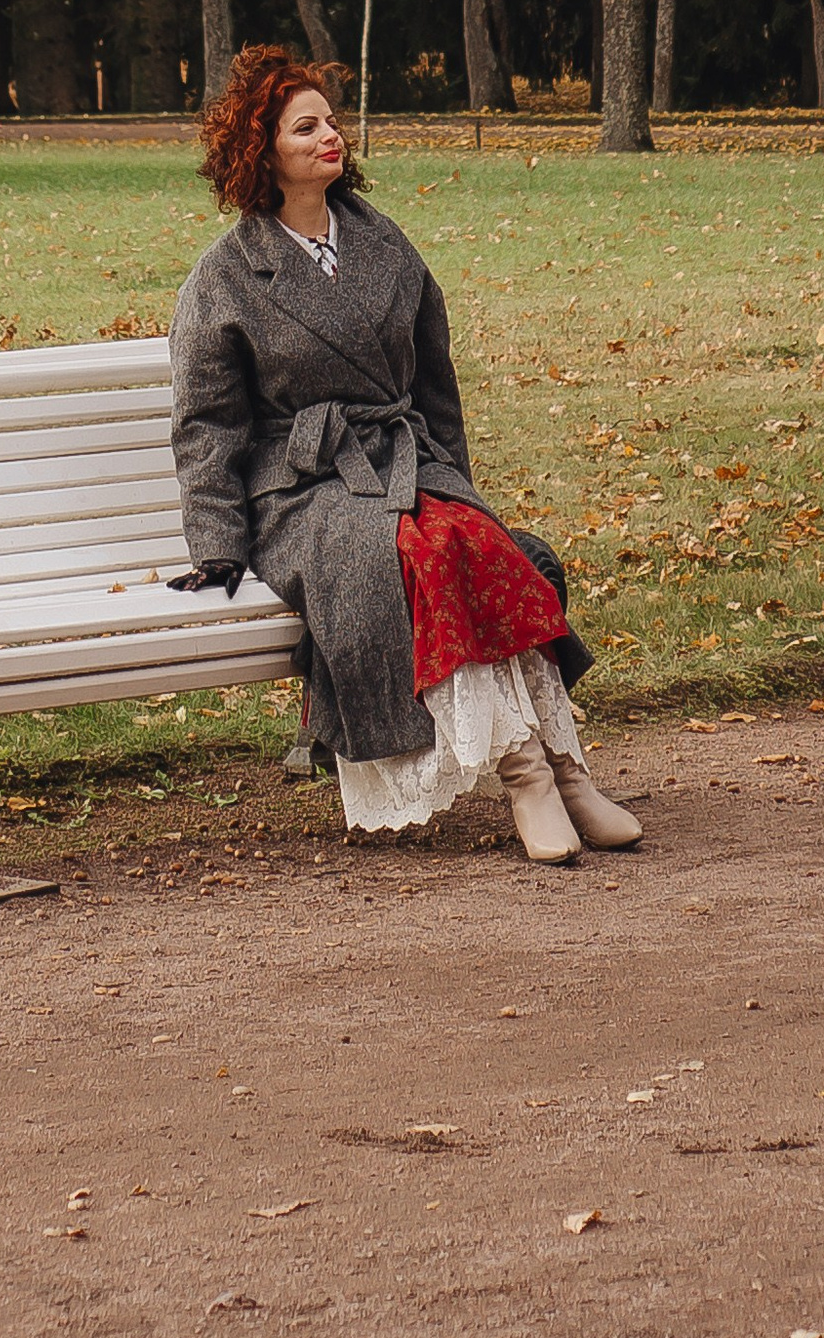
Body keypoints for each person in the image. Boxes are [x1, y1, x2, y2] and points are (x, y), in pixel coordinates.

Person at [166, 44, 643, 864]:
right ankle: (528, 777)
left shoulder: (385, 244)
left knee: (476, 542)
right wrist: (216, 547)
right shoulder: (227, 276)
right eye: (305, 126)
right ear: (262, 150)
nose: (330, 137)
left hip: (405, 463)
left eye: (331, 122)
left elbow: (435, 384)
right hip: (304, 488)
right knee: (428, 553)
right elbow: (207, 425)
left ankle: (568, 773)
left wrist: (451, 481)